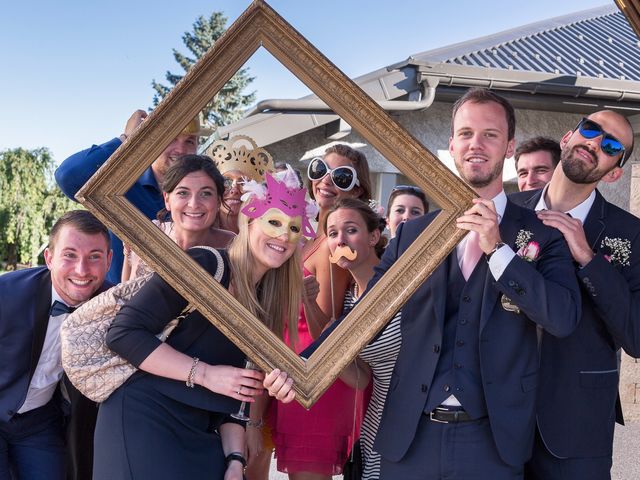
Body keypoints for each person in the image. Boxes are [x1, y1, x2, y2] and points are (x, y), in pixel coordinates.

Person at [271, 88, 582, 479]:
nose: (476, 144)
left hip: (492, 441)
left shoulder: (542, 234)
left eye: (490, 134)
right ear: (451, 145)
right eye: (466, 133)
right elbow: (367, 314)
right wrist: (305, 363)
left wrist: (499, 251)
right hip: (410, 436)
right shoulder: (414, 234)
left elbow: (563, 318)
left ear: (509, 146)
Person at [92, 168, 316, 480]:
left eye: (293, 228)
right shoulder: (206, 264)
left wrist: (236, 461)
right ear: (249, 222)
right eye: (274, 222)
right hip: (144, 418)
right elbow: (123, 334)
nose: (283, 236)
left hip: (203, 434)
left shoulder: (266, 301)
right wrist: (206, 374)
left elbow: (234, 395)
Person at [510, 111, 638, 480]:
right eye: (591, 129)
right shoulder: (507, 212)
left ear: (614, 172)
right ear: (568, 137)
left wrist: (588, 258)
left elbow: (636, 335)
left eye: (612, 145)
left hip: (578, 425)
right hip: (496, 417)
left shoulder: (631, 234)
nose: (596, 142)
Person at [268, 145, 373, 479]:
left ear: (357, 189)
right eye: (318, 170)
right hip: (293, 374)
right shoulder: (310, 233)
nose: (325, 181)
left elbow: (325, 334)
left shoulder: (334, 242)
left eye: (340, 177)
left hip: (317, 382)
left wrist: (305, 297)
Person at [0, 210, 112, 480]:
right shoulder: (6, 293)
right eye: (70, 255)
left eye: (94, 257)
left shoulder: (113, 306)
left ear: (109, 261)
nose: (82, 270)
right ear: (49, 258)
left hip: (39, 422)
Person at [55, 110, 211, 284]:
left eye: (189, 141)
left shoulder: (204, 200)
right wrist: (127, 139)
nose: (181, 150)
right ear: (153, 140)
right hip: (120, 304)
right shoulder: (121, 185)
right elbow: (68, 176)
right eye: (172, 138)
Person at [322, 197, 396, 480]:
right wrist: (334, 351)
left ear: (374, 236)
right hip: (375, 424)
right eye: (332, 233)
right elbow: (363, 378)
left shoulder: (401, 284)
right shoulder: (349, 300)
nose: (340, 240)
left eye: (350, 230)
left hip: (417, 422)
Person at [121, 155, 235, 281]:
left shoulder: (233, 246)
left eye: (205, 193)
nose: (194, 204)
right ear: (167, 199)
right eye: (183, 193)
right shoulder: (146, 234)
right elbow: (123, 291)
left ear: (218, 201)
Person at [207, 135, 275, 234]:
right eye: (226, 181)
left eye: (243, 182)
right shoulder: (201, 231)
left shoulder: (264, 233)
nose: (234, 190)